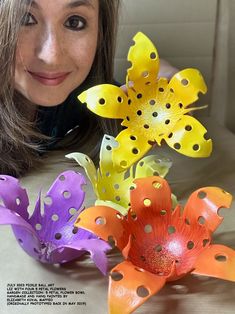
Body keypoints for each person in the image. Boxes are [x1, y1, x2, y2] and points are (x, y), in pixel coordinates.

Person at [0, 0, 120, 177]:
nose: (51, 57)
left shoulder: (79, 96)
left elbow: (127, 93)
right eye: (24, 19)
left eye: (74, 22)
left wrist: (164, 72)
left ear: (100, 33)